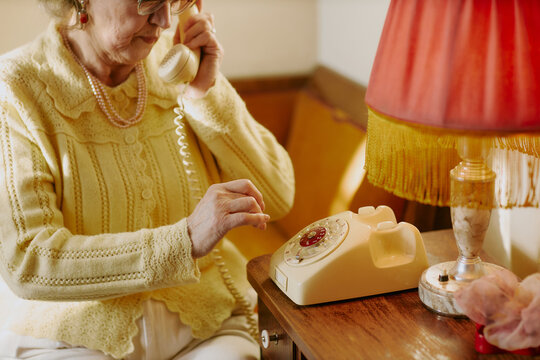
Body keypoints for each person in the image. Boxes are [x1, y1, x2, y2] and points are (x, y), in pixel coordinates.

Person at [0, 0, 295, 358]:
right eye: (149, 2)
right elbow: (29, 260)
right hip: (71, 339)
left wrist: (205, 92)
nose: (164, 20)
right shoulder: (15, 89)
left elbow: (278, 196)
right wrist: (183, 241)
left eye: (175, 2)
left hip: (205, 328)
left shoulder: (174, 65)